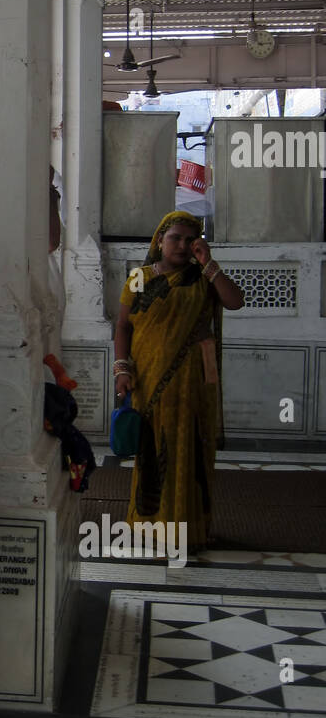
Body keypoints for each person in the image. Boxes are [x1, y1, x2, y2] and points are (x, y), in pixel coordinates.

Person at [114, 211, 243, 553]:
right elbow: (124, 327)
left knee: (188, 452)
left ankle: (187, 529)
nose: (183, 246)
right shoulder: (139, 277)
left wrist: (210, 264)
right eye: (176, 238)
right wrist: (121, 369)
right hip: (148, 380)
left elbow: (235, 301)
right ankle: (146, 524)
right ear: (159, 241)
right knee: (152, 452)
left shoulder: (203, 279)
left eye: (190, 239)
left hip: (191, 383)